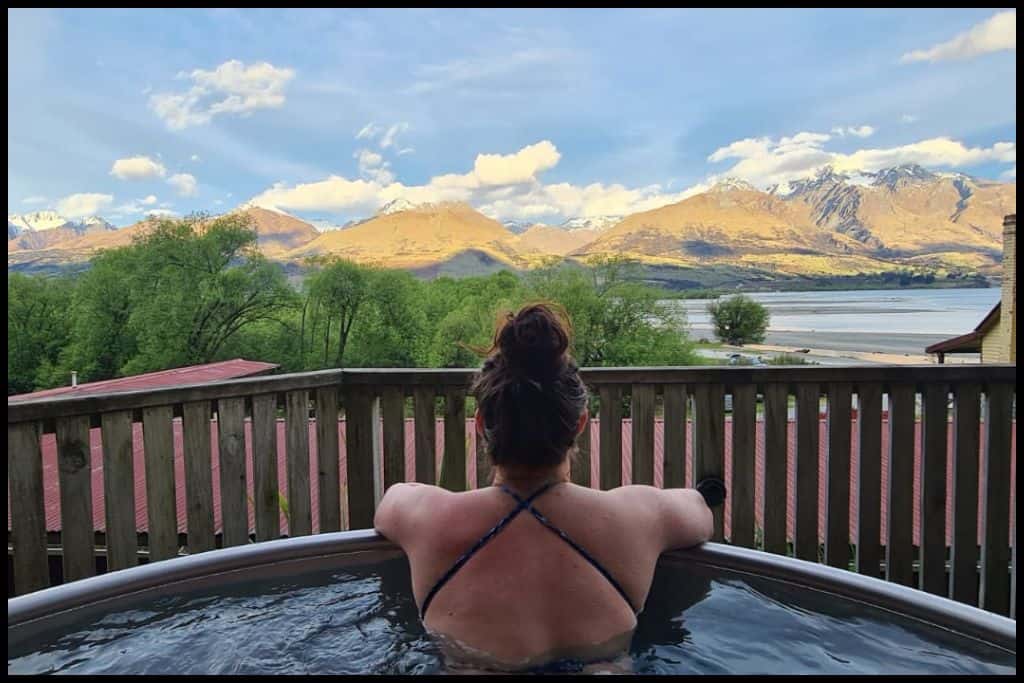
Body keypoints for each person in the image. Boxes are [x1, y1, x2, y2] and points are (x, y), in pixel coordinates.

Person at [374, 302, 719, 673]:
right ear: (580, 423)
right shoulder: (637, 515)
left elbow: (391, 500)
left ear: (480, 425)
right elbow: (699, 512)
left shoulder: (426, 515)